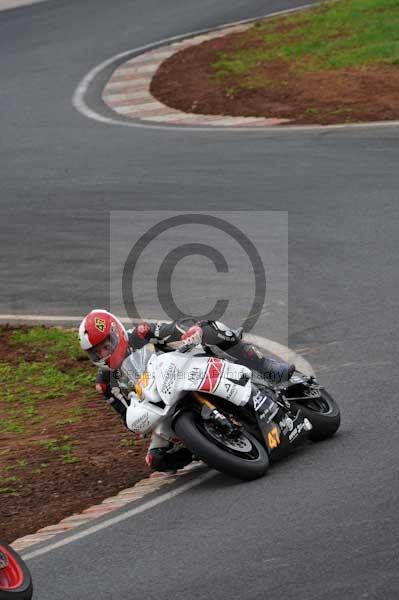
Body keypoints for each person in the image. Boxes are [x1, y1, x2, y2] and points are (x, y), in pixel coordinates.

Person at [79, 309, 295, 472]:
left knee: (211, 329)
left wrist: (190, 333)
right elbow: (127, 415)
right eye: (96, 353)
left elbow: (174, 330)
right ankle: (202, 447)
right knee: (156, 460)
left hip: (186, 371)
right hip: (161, 407)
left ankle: (265, 367)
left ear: (116, 334)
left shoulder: (140, 334)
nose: (103, 354)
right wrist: (146, 426)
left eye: (105, 346)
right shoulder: (106, 383)